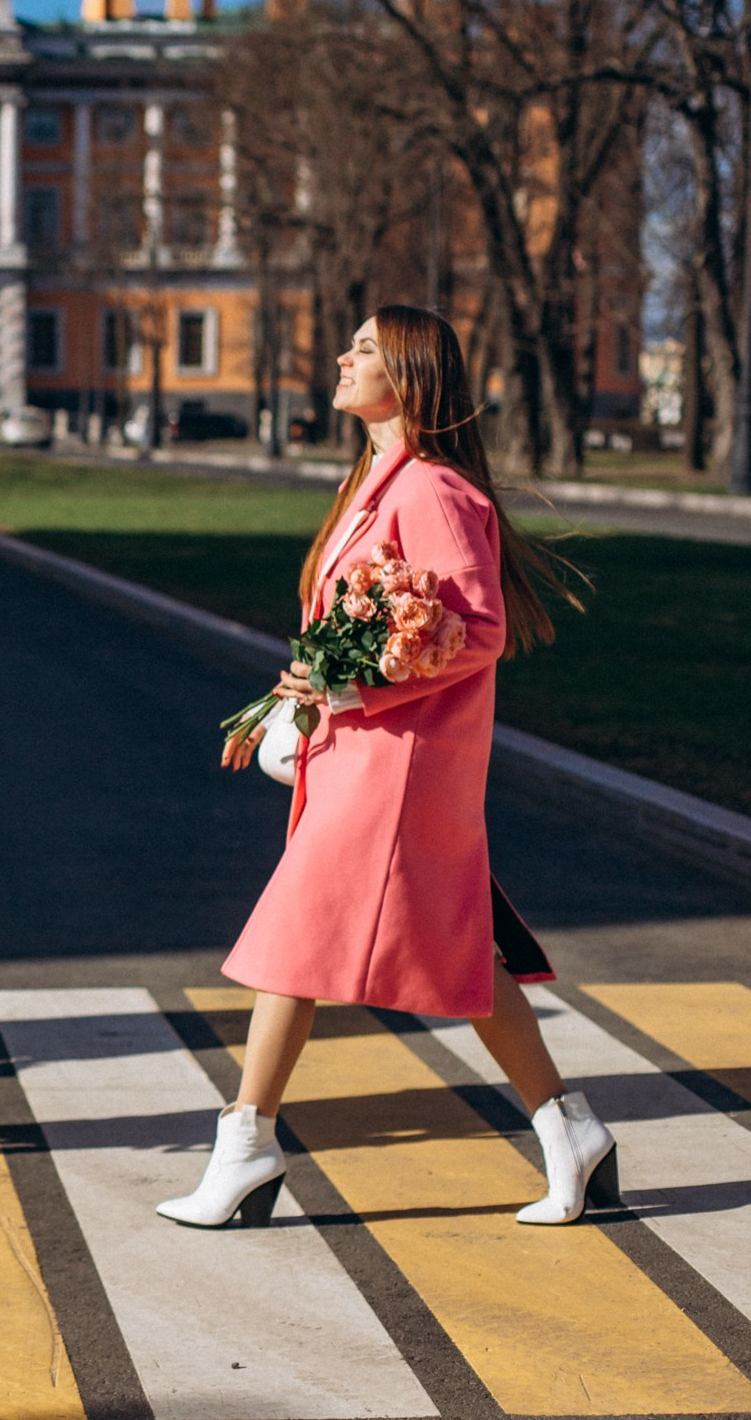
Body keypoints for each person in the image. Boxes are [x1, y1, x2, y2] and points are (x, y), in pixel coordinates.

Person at [165, 305, 609, 1230]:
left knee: (292, 939)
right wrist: (316, 678)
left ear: (405, 376)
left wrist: (353, 681)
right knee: (462, 956)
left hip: (399, 770)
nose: (342, 355)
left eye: (364, 348)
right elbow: (369, 622)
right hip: (366, 759)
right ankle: (572, 1132)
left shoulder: (434, 492)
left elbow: (476, 629)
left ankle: (245, 1144)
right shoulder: (377, 479)